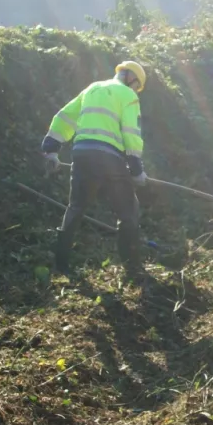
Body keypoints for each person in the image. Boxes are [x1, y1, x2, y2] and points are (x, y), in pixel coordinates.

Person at [40, 61, 149, 277]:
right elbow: (130, 132)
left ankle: (61, 265)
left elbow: (65, 116)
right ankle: (132, 267)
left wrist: (51, 149)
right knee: (128, 211)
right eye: (137, 86)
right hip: (109, 157)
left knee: (76, 206)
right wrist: (136, 169)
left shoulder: (92, 88)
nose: (136, 90)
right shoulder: (128, 96)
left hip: (81, 153)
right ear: (132, 79)